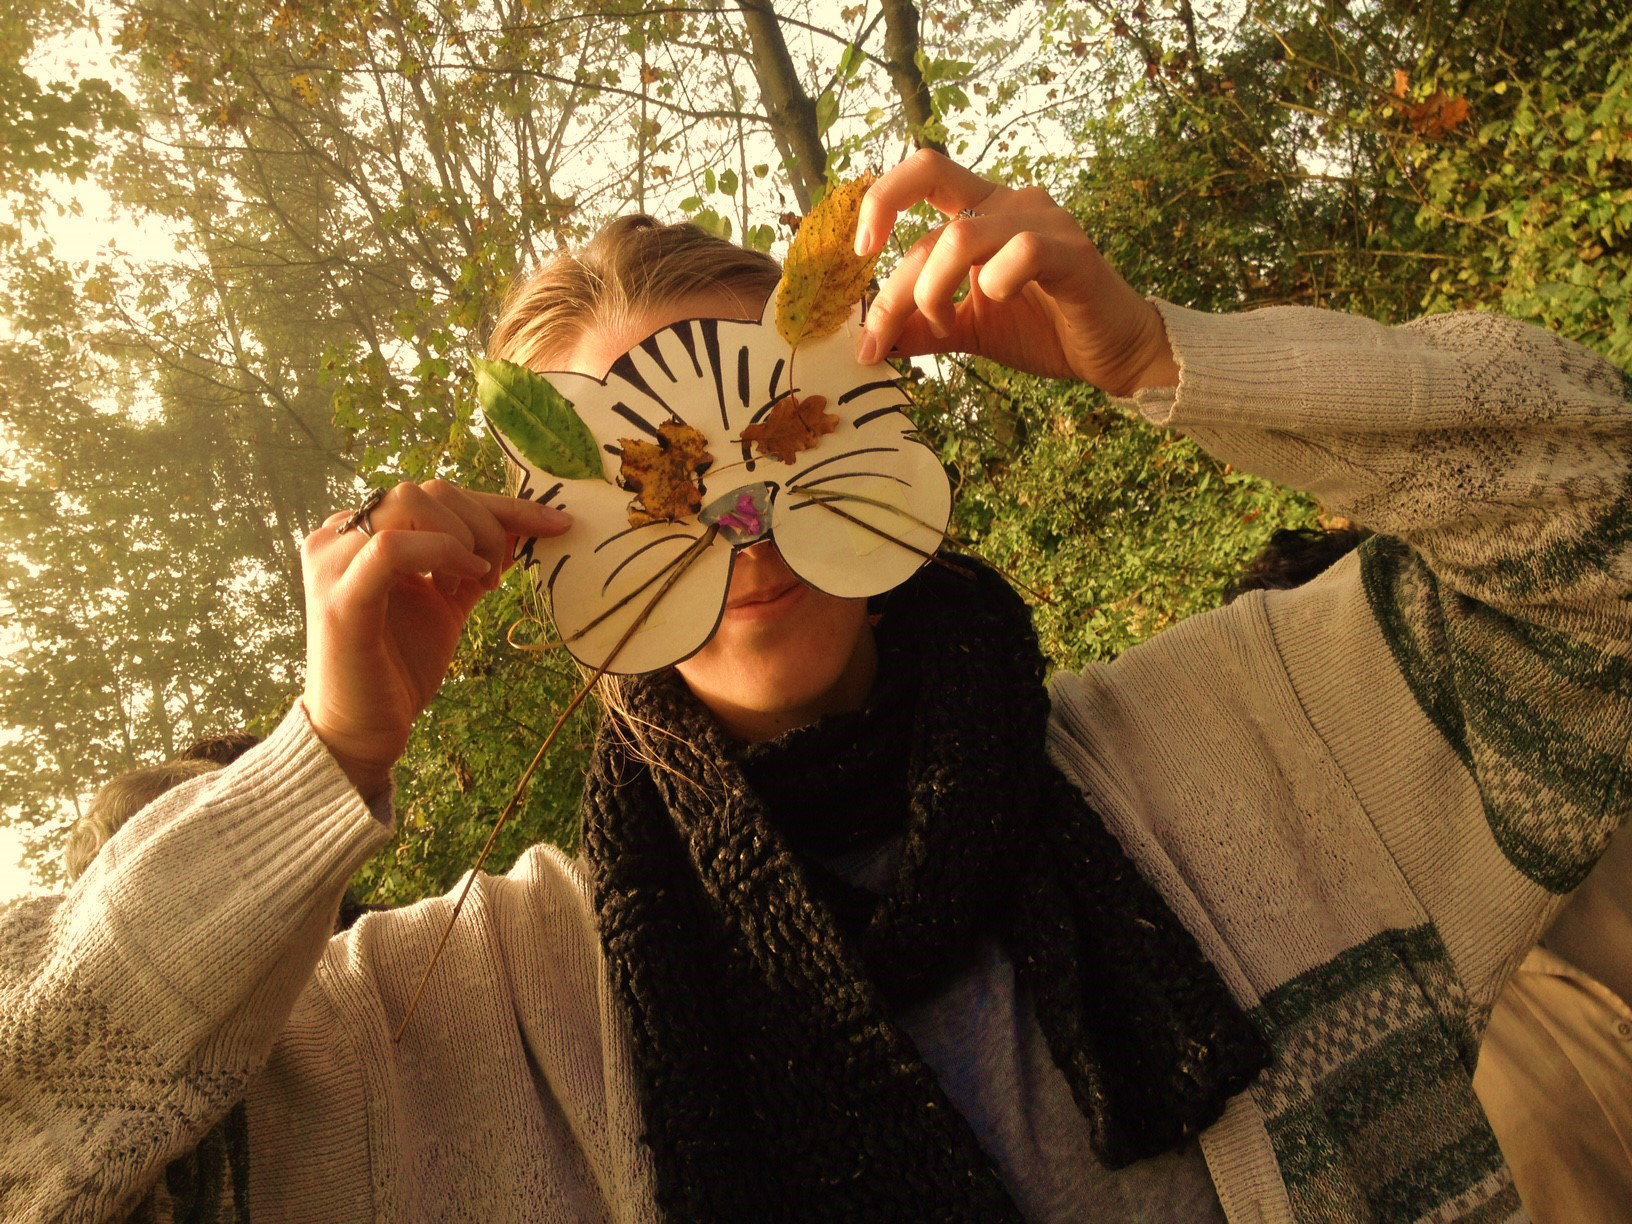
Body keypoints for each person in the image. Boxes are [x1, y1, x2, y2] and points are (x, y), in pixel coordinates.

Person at [2, 149, 1628, 1221]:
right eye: (642, 489)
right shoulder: (442, 1040)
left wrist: (1166, 358)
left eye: (779, 432)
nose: (736, 517)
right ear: (546, 549)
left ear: (867, 401)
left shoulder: (1261, 738)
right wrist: (319, 768)